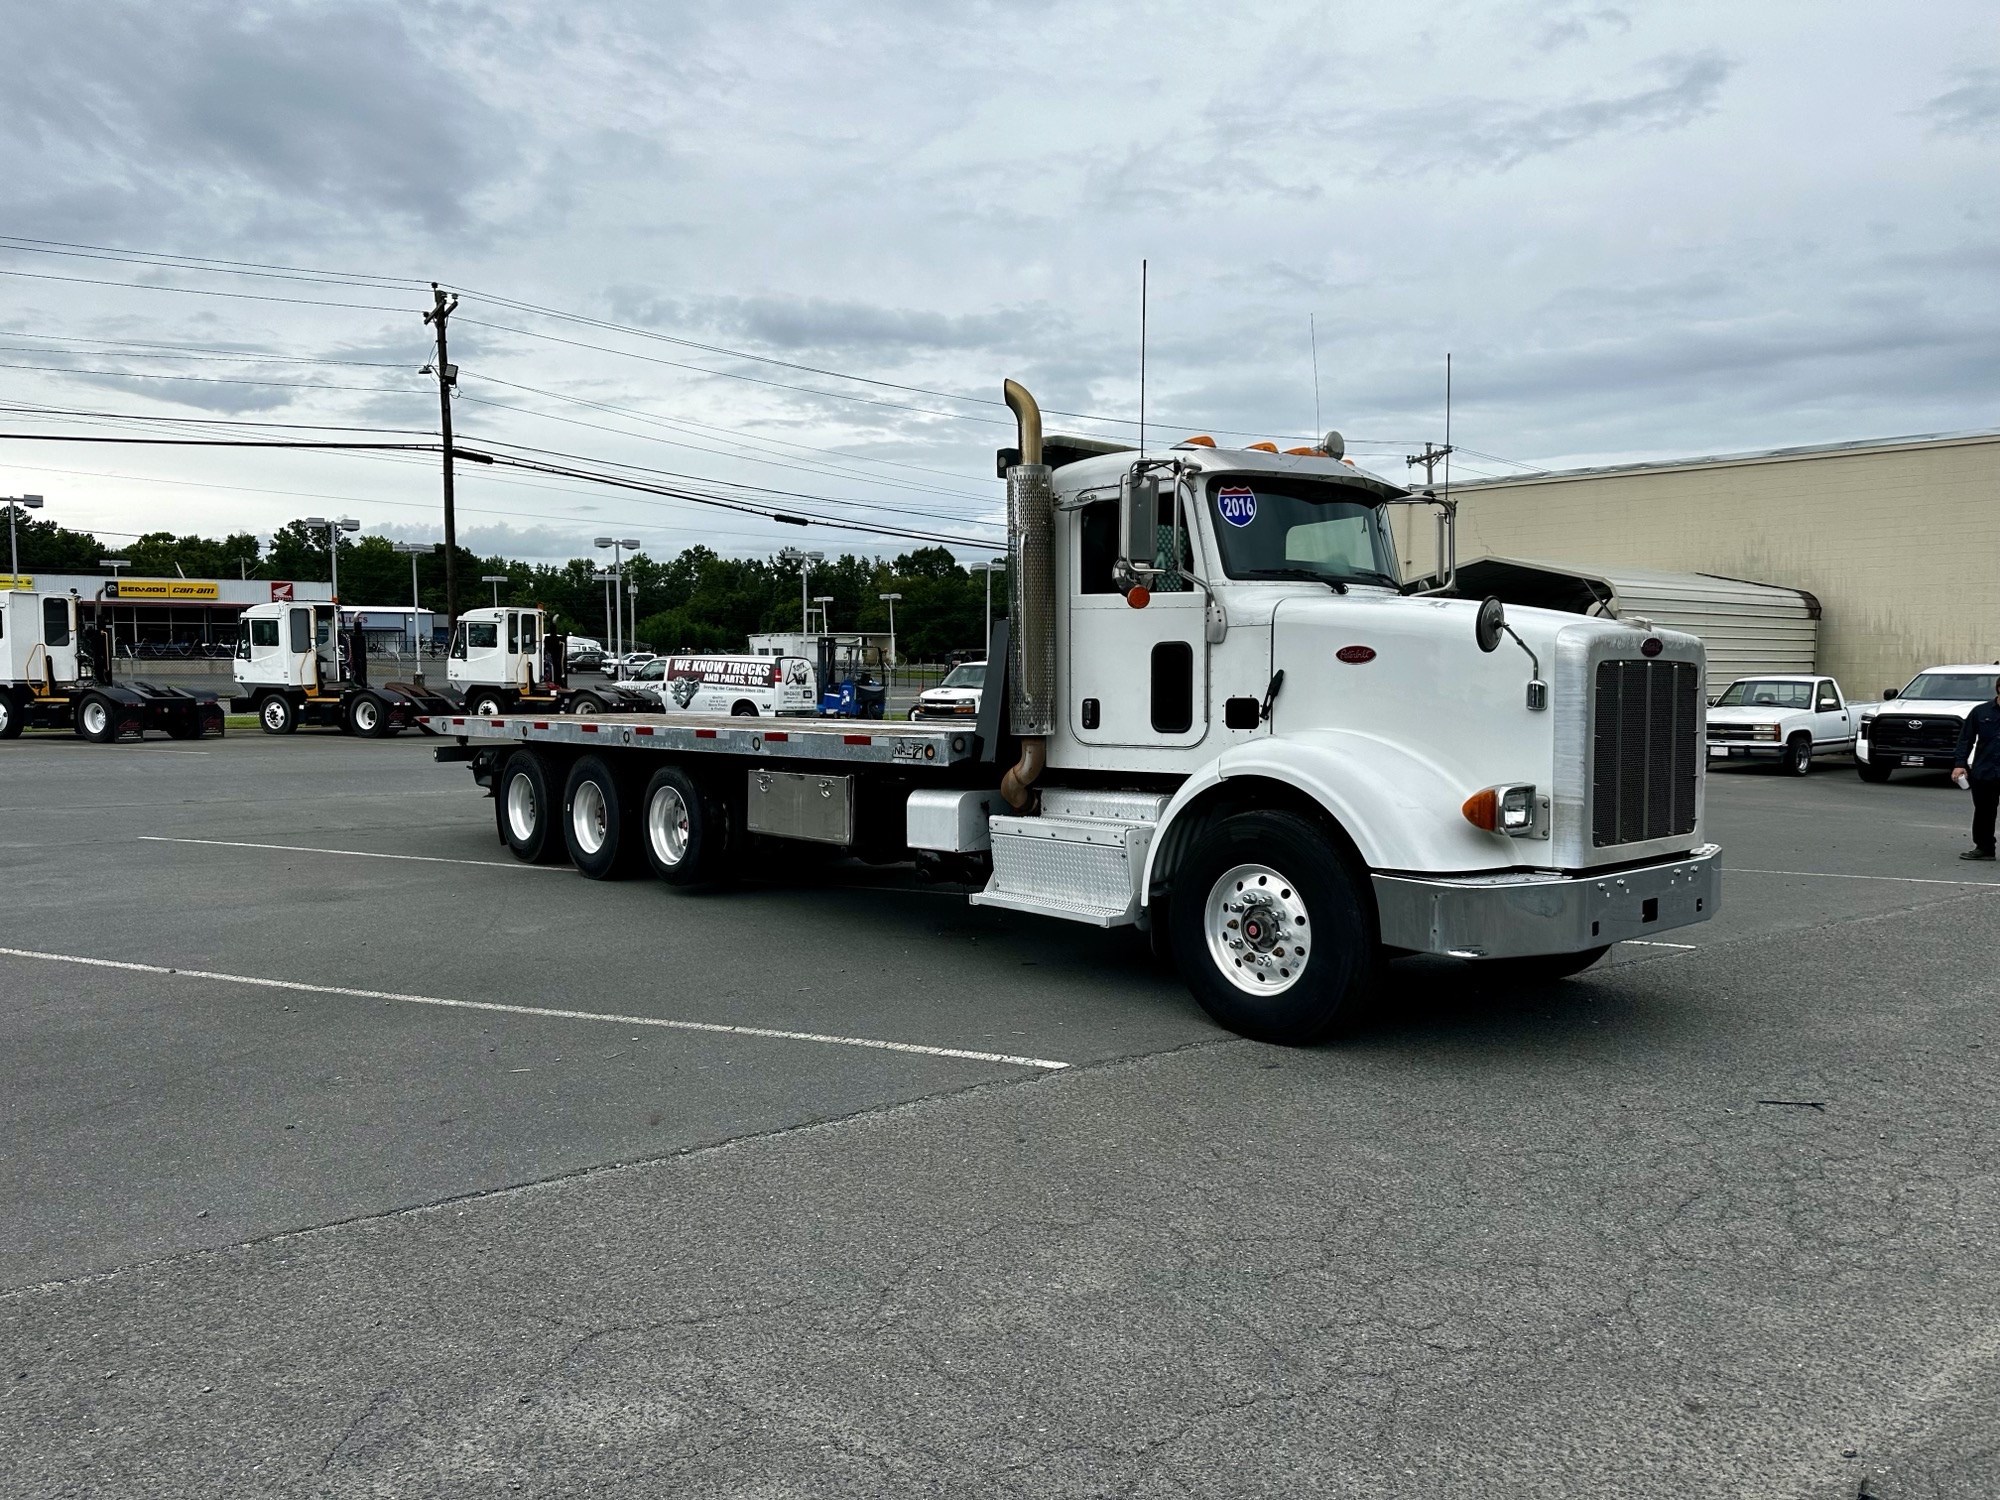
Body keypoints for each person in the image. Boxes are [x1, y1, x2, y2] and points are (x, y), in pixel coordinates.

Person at [1952, 675, 2000, 861]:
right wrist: (1959, 765)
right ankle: (1984, 848)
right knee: (1984, 812)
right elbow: (1965, 740)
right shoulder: (1980, 712)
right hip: (1985, 771)